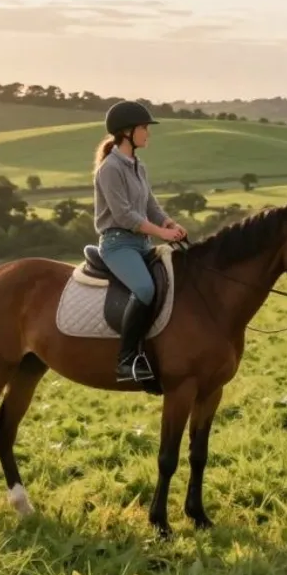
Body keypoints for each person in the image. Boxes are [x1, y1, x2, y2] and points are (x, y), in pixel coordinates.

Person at [93, 100, 187, 383]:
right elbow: (124, 215)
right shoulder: (110, 168)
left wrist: (170, 224)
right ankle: (126, 359)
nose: (148, 133)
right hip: (117, 244)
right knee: (145, 288)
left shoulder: (138, 166)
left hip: (142, 243)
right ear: (126, 133)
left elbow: (150, 205)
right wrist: (162, 235)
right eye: (144, 128)